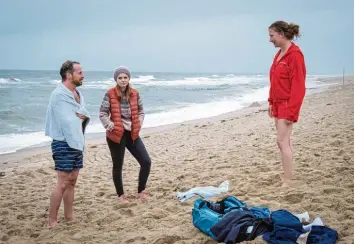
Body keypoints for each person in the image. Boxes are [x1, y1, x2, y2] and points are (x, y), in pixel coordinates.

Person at [45, 60, 90, 228]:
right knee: (63, 181)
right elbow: (66, 119)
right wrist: (79, 116)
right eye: (79, 72)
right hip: (62, 142)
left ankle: (69, 216)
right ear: (69, 75)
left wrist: (81, 116)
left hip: (77, 141)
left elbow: (83, 114)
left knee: (73, 180)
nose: (83, 75)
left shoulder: (78, 94)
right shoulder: (58, 94)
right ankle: (52, 220)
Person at [99, 66, 151, 203]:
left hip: (132, 133)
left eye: (125, 77)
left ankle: (141, 191)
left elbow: (141, 111)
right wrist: (110, 125)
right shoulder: (110, 93)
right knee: (118, 166)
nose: (123, 80)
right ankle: (121, 196)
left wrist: (139, 122)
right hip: (116, 134)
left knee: (146, 161)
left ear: (129, 79)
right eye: (120, 78)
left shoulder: (135, 93)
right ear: (116, 79)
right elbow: (103, 113)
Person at [267, 21, 306, 187]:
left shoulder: (295, 55)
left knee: (282, 142)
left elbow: (299, 86)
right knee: (284, 142)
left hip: (287, 105)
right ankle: (287, 176)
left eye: (272, 36)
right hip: (277, 104)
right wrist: (270, 101)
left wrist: (292, 112)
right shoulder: (279, 54)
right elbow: (274, 81)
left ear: (281, 34)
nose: (270, 40)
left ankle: (288, 180)